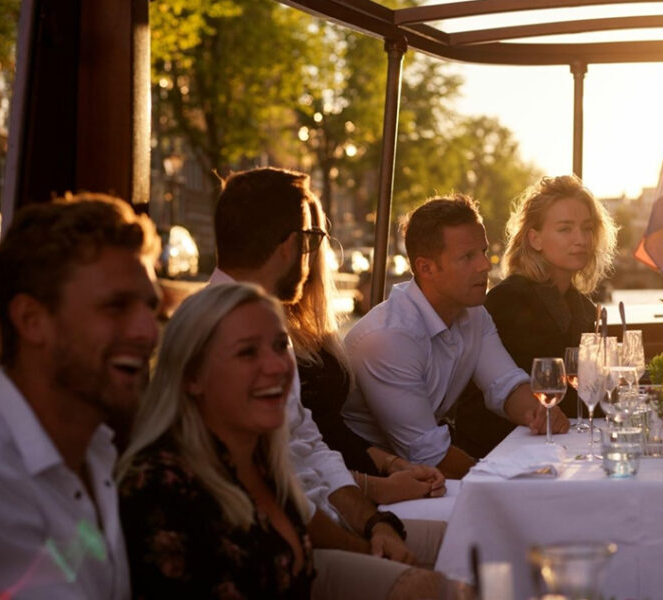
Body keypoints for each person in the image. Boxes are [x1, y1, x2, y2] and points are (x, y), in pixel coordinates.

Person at [119, 283, 451, 600]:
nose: (278, 367)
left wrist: (377, 527)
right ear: (192, 376)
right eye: (247, 352)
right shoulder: (161, 486)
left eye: (280, 346)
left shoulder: (261, 459)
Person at [209, 167, 444, 572]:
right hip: (272, 556)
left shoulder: (263, 321)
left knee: (468, 539)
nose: (315, 254)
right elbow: (283, 488)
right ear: (291, 244)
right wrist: (368, 540)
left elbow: (309, 445)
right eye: (313, 240)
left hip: (327, 522)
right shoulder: (228, 334)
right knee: (440, 574)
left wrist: (375, 523)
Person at [0, 194, 161, 598]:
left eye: (151, 307)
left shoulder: (95, 452)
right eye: (116, 306)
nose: (148, 332)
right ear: (32, 321)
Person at [343, 194, 571, 479]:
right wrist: (502, 482)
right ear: (426, 268)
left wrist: (537, 411)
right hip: (367, 480)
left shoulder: (472, 313)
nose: (485, 265)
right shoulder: (389, 338)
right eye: (467, 257)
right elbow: (429, 454)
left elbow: (505, 384)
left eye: (484, 251)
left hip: (420, 473)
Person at [284, 186, 446, 504]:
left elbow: (327, 429)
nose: (313, 249)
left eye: (316, 237)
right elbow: (289, 464)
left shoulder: (311, 324)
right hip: (338, 498)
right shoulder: (254, 329)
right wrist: (376, 490)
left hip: (355, 484)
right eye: (309, 236)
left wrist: (391, 463)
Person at [455, 175, 617, 456]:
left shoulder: (586, 309)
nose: (580, 239)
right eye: (565, 229)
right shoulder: (508, 300)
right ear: (535, 238)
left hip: (559, 444)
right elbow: (516, 396)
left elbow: (592, 395)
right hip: (501, 450)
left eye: (587, 228)